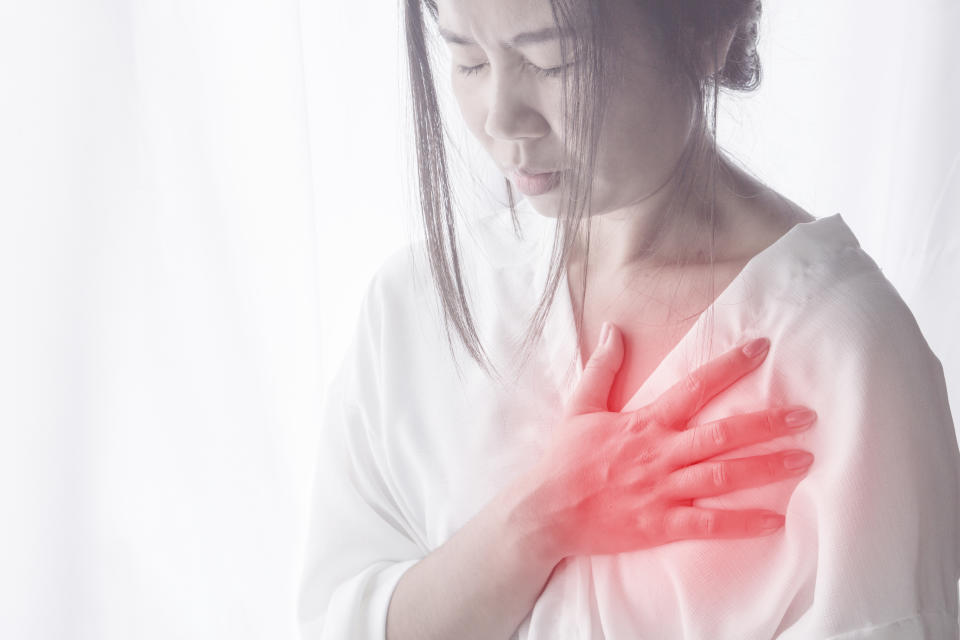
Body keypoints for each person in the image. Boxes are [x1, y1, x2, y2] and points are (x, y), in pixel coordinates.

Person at [298, 0, 960, 638]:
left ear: (709, 31)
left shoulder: (842, 353)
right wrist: (537, 521)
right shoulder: (419, 305)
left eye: (554, 62)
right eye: (467, 59)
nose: (502, 118)